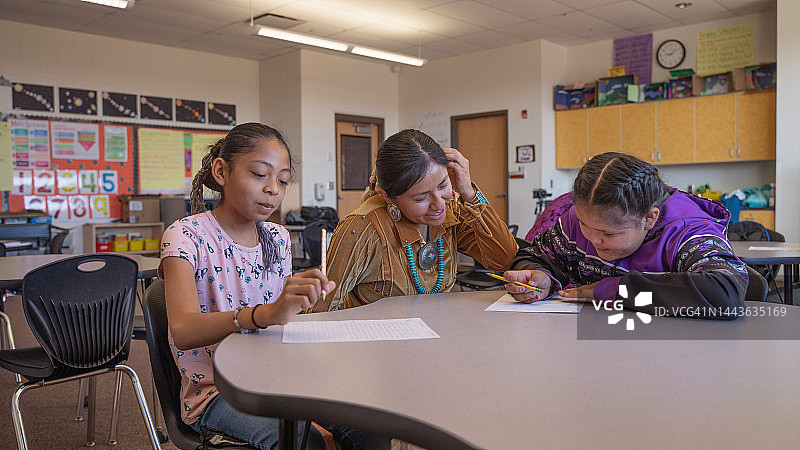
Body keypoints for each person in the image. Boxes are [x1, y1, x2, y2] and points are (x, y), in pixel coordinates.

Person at [159, 123, 390, 449]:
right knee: (302, 440)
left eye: (282, 180)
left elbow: (279, 322)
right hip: (219, 391)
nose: (273, 189)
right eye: (259, 175)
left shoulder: (277, 238)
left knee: (369, 423)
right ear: (222, 171)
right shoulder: (185, 236)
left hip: (279, 377)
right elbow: (183, 330)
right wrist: (264, 314)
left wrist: (297, 303)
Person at [504, 152, 748, 319]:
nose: (591, 239)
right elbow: (535, 255)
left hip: (668, 356)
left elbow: (724, 293)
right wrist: (540, 277)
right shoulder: (582, 218)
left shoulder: (688, 230)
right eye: (583, 225)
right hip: (585, 347)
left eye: (608, 234)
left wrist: (609, 290)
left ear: (649, 219)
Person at [313, 129, 517, 312]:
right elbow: (323, 308)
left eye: (443, 185)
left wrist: (470, 194)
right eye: (422, 197)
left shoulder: (451, 208)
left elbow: (505, 259)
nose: (438, 204)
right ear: (387, 196)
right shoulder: (361, 228)